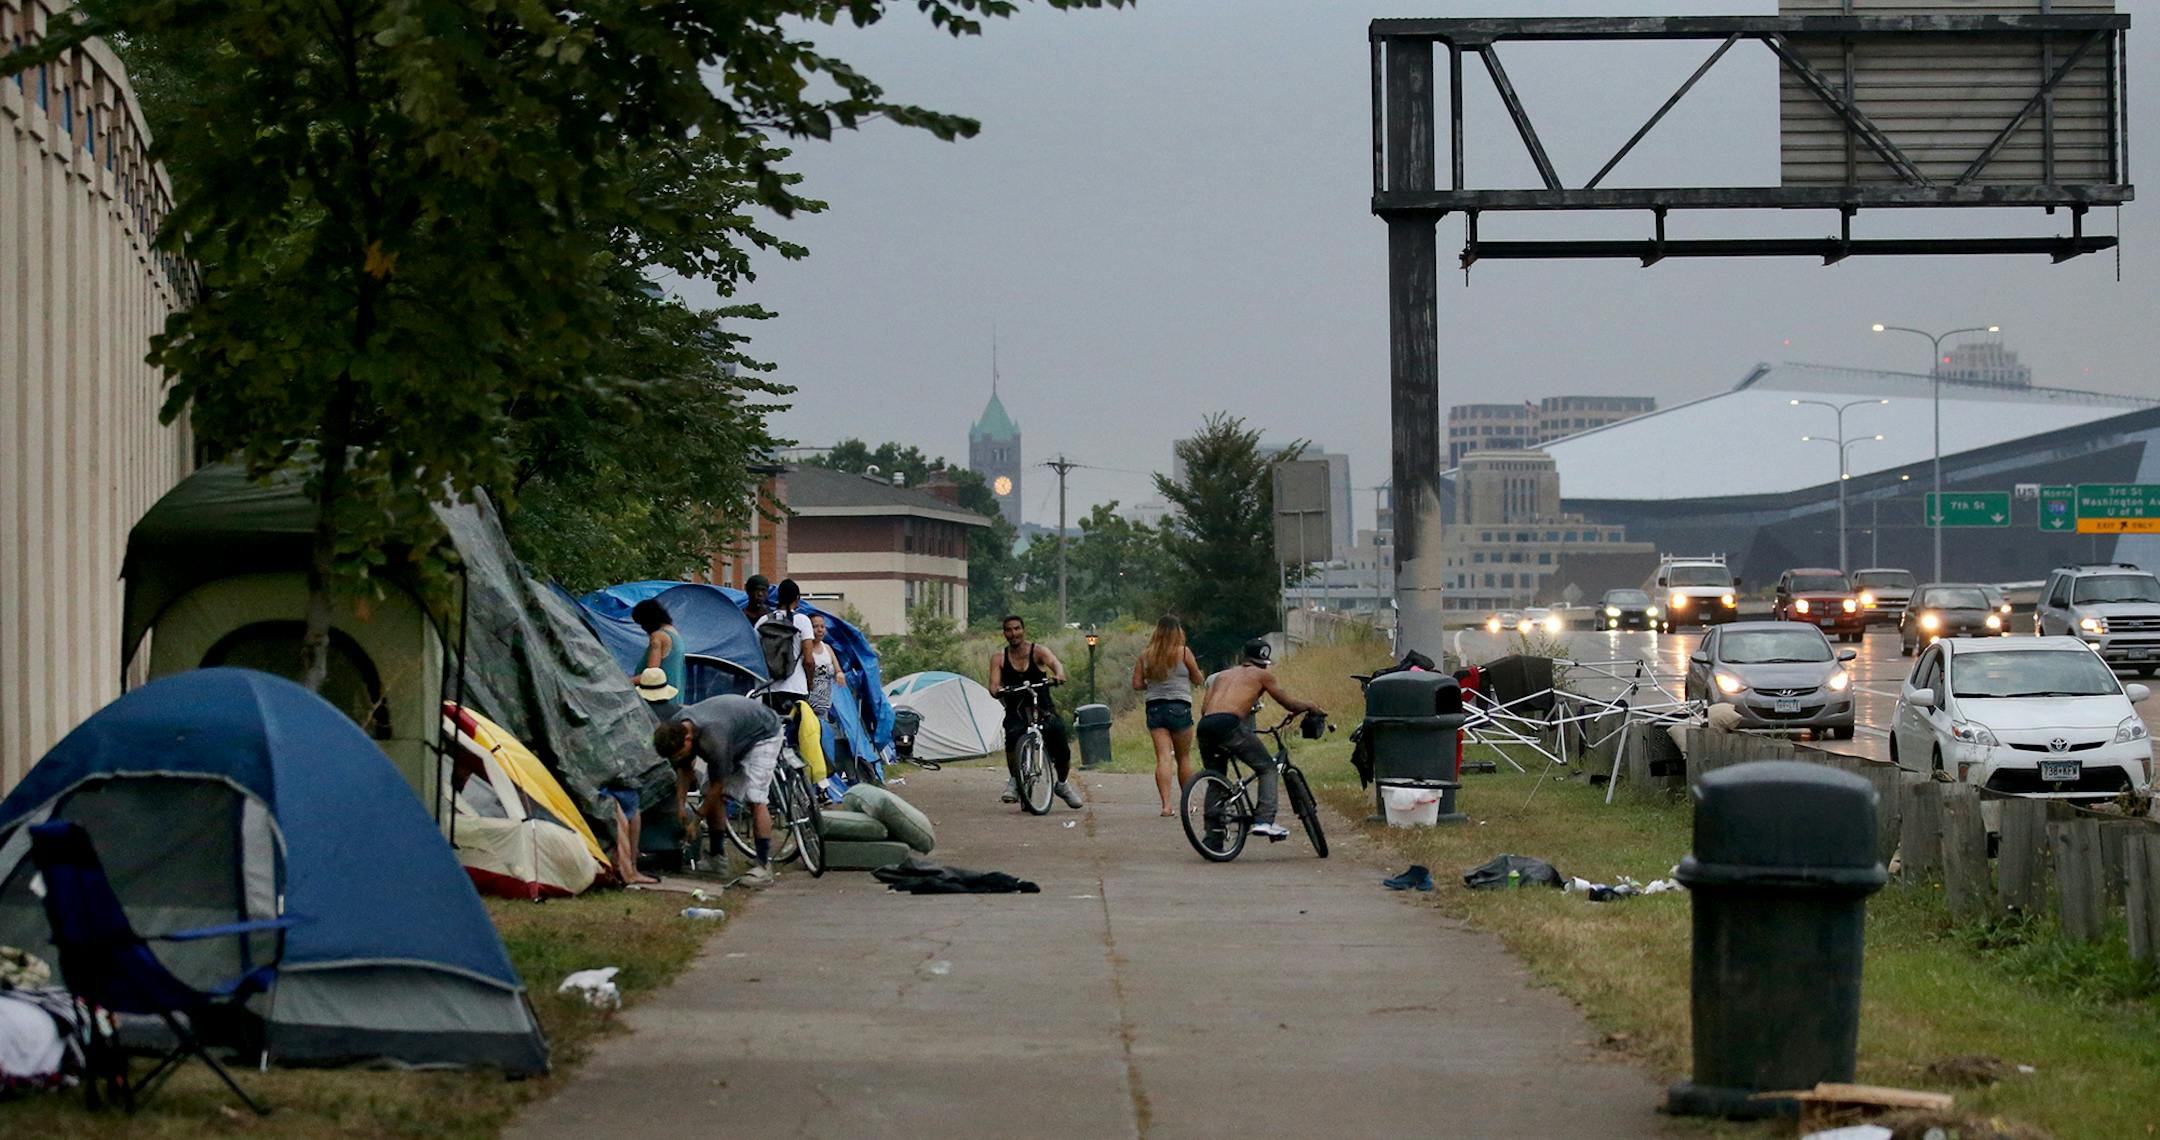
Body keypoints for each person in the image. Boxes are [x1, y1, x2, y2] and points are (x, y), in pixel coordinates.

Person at [654, 694, 788, 888]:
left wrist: (697, 820)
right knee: (709, 792)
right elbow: (684, 768)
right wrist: (680, 806)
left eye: (681, 752)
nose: (681, 756)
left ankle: (763, 865)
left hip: (763, 733)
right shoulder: (675, 727)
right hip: (735, 731)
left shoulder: (713, 738)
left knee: (755, 797)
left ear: (688, 739)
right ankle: (717, 858)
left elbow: (719, 786)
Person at [1195, 639, 1322, 842]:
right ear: (1264, 662)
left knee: (1216, 779)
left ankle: (1213, 836)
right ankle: (1264, 820)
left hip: (1206, 725)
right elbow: (1288, 703)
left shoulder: (1223, 675)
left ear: (1243, 657)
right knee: (1267, 768)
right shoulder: (1263, 675)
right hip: (1229, 724)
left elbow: (1204, 709)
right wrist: (1311, 706)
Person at [988, 614, 1081, 809]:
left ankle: (1062, 784)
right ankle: (1014, 780)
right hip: (1017, 710)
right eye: (1009, 630)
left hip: (1042, 706)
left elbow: (1055, 664)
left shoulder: (1038, 651)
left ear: (1023, 630)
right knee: (1012, 738)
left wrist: (1059, 674)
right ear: (1004, 633)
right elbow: (994, 684)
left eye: (1017, 629)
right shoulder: (999, 658)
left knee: (1061, 746)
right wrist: (996, 689)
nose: (1013, 633)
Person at [1131, 615, 1204, 817]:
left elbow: (1137, 684)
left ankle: (1166, 806)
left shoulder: (1146, 655)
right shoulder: (1184, 652)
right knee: (1183, 758)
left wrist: (1153, 686)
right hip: (1179, 706)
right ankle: (1187, 804)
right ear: (1178, 632)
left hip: (1155, 708)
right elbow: (1198, 679)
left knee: (1163, 757)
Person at [754, 578, 816, 711]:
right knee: (795, 730)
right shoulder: (802, 621)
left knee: (773, 730)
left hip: (768, 689)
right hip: (796, 687)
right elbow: (809, 661)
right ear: (797, 598)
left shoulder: (763, 621)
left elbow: (755, 655)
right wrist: (810, 683)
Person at [803, 613, 849, 774]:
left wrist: (839, 675)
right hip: (808, 703)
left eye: (822, 626)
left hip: (825, 705)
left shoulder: (827, 649)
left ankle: (826, 774)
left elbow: (838, 669)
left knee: (824, 738)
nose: (820, 629)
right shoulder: (805, 648)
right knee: (811, 739)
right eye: (815, 626)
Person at [631, 598, 687, 701]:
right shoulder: (673, 631)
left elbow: (652, 675)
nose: (643, 628)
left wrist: (626, 682)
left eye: (641, 623)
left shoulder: (657, 636)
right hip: (674, 697)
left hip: (657, 698)